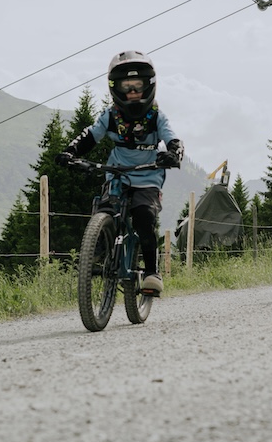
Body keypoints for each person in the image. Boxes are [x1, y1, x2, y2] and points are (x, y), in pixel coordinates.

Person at [57, 51, 183, 295]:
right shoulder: (110, 116)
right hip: (116, 176)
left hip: (147, 177)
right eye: (127, 86)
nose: (133, 92)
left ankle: (151, 272)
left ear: (149, 86)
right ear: (116, 88)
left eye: (138, 86)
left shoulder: (157, 117)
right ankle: (99, 253)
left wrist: (173, 153)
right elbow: (90, 135)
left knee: (144, 217)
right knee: (105, 210)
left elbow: (172, 139)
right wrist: (70, 151)